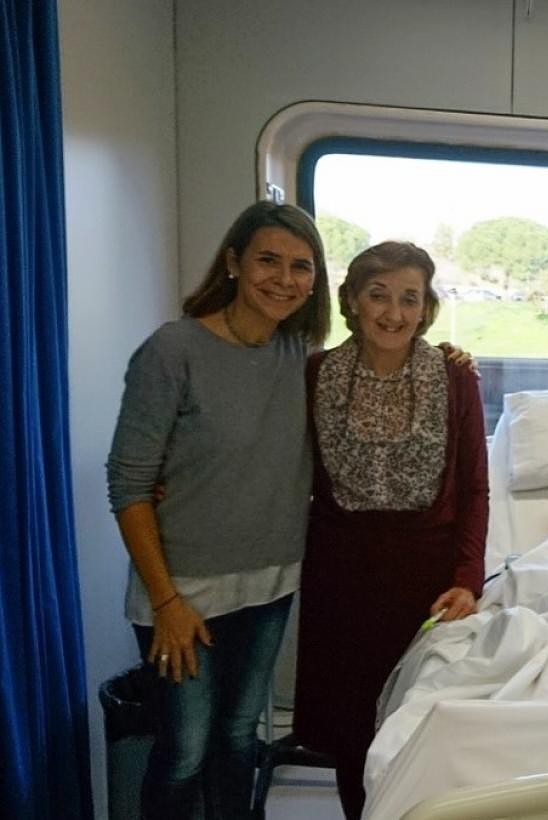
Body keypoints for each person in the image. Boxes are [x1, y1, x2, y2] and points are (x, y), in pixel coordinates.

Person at [106, 201, 330, 818]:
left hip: (270, 582)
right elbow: (128, 486)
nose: (284, 279)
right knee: (184, 750)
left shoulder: (301, 356)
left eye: (301, 266)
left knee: (236, 737)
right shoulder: (173, 350)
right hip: (183, 591)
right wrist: (166, 603)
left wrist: (448, 357)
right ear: (233, 262)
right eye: (267, 260)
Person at [292, 240, 488, 819]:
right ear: (352, 300)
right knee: (351, 727)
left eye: (410, 298)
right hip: (340, 571)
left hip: (426, 575)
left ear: (426, 308)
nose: (394, 313)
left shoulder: (454, 376)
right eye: (378, 295)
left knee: (415, 719)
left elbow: (475, 488)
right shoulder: (316, 373)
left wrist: (468, 577)